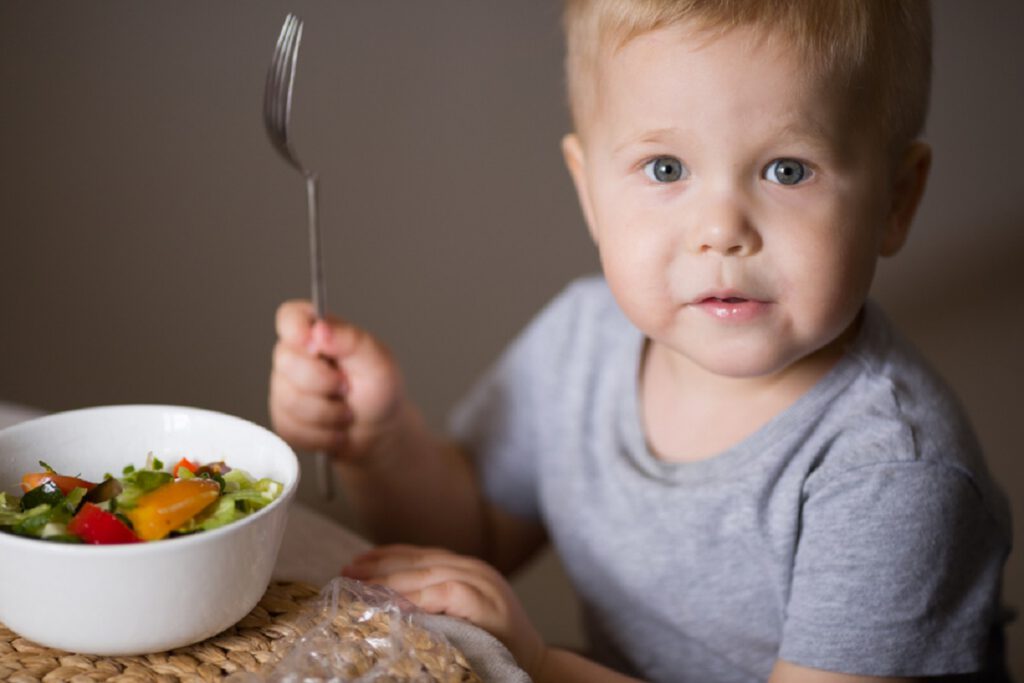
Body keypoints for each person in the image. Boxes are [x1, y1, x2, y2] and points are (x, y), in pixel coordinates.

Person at [268, 1, 1013, 680]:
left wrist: (538, 664)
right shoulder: (581, 344)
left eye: (788, 169)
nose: (721, 229)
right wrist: (379, 439)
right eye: (666, 168)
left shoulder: (892, 475)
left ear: (895, 199)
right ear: (590, 190)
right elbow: (471, 535)